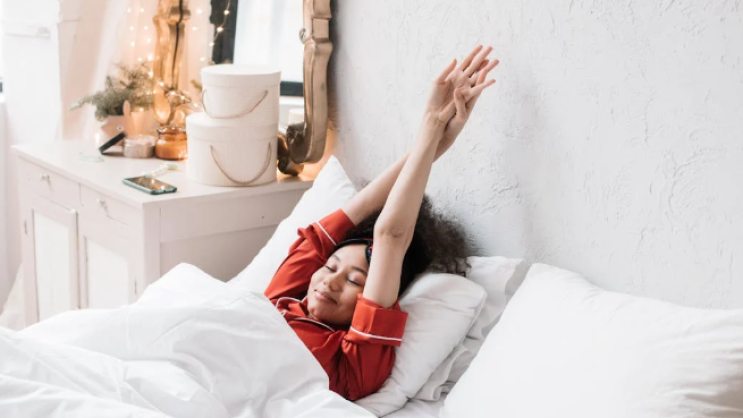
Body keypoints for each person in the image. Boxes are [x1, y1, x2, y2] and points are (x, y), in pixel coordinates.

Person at [265, 45, 499, 400]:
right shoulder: (279, 300)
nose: (330, 281)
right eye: (330, 266)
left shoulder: (352, 366)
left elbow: (391, 235)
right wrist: (432, 143)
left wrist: (432, 125)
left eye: (355, 281)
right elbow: (344, 221)